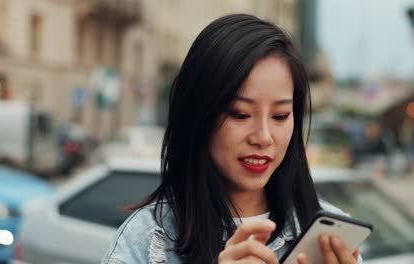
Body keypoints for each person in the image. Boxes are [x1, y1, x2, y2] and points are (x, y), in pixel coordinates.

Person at [101, 14, 362, 264]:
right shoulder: (145, 242)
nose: (263, 137)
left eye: (280, 115)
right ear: (199, 114)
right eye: (240, 114)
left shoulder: (327, 239)